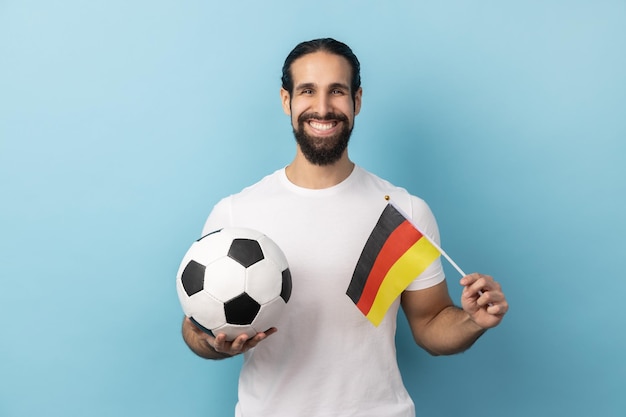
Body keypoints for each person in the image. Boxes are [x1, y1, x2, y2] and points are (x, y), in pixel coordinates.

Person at [181, 38, 508, 417]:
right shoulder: (236, 213)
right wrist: (213, 343)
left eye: (336, 91)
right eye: (308, 91)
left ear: (357, 100)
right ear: (287, 100)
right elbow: (195, 327)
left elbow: (431, 324)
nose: (322, 107)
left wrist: (472, 320)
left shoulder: (404, 212)